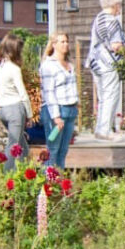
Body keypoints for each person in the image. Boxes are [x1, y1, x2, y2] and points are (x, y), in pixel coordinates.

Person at [86, 0, 125, 140]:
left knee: (103, 97)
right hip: (108, 63)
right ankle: (105, 130)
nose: (120, 8)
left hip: (95, 62)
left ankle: (100, 129)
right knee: (110, 96)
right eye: (119, 5)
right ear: (115, 5)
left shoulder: (99, 18)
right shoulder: (112, 21)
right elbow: (115, 45)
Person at [38, 31, 79, 170]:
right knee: (53, 150)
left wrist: (77, 104)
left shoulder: (69, 65)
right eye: (62, 42)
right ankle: (47, 180)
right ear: (54, 44)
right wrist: (56, 116)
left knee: (63, 150)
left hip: (70, 109)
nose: (65, 44)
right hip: (57, 110)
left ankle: (59, 179)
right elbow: (49, 92)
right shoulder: (49, 65)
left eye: (67, 41)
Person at [0, 34, 30, 170]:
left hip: (3, 109)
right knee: (13, 145)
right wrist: (30, 114)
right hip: (15, 108)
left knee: (23, 146)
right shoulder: (14, 69)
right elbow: (23, 94)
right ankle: (8, 175)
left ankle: (25, 172)